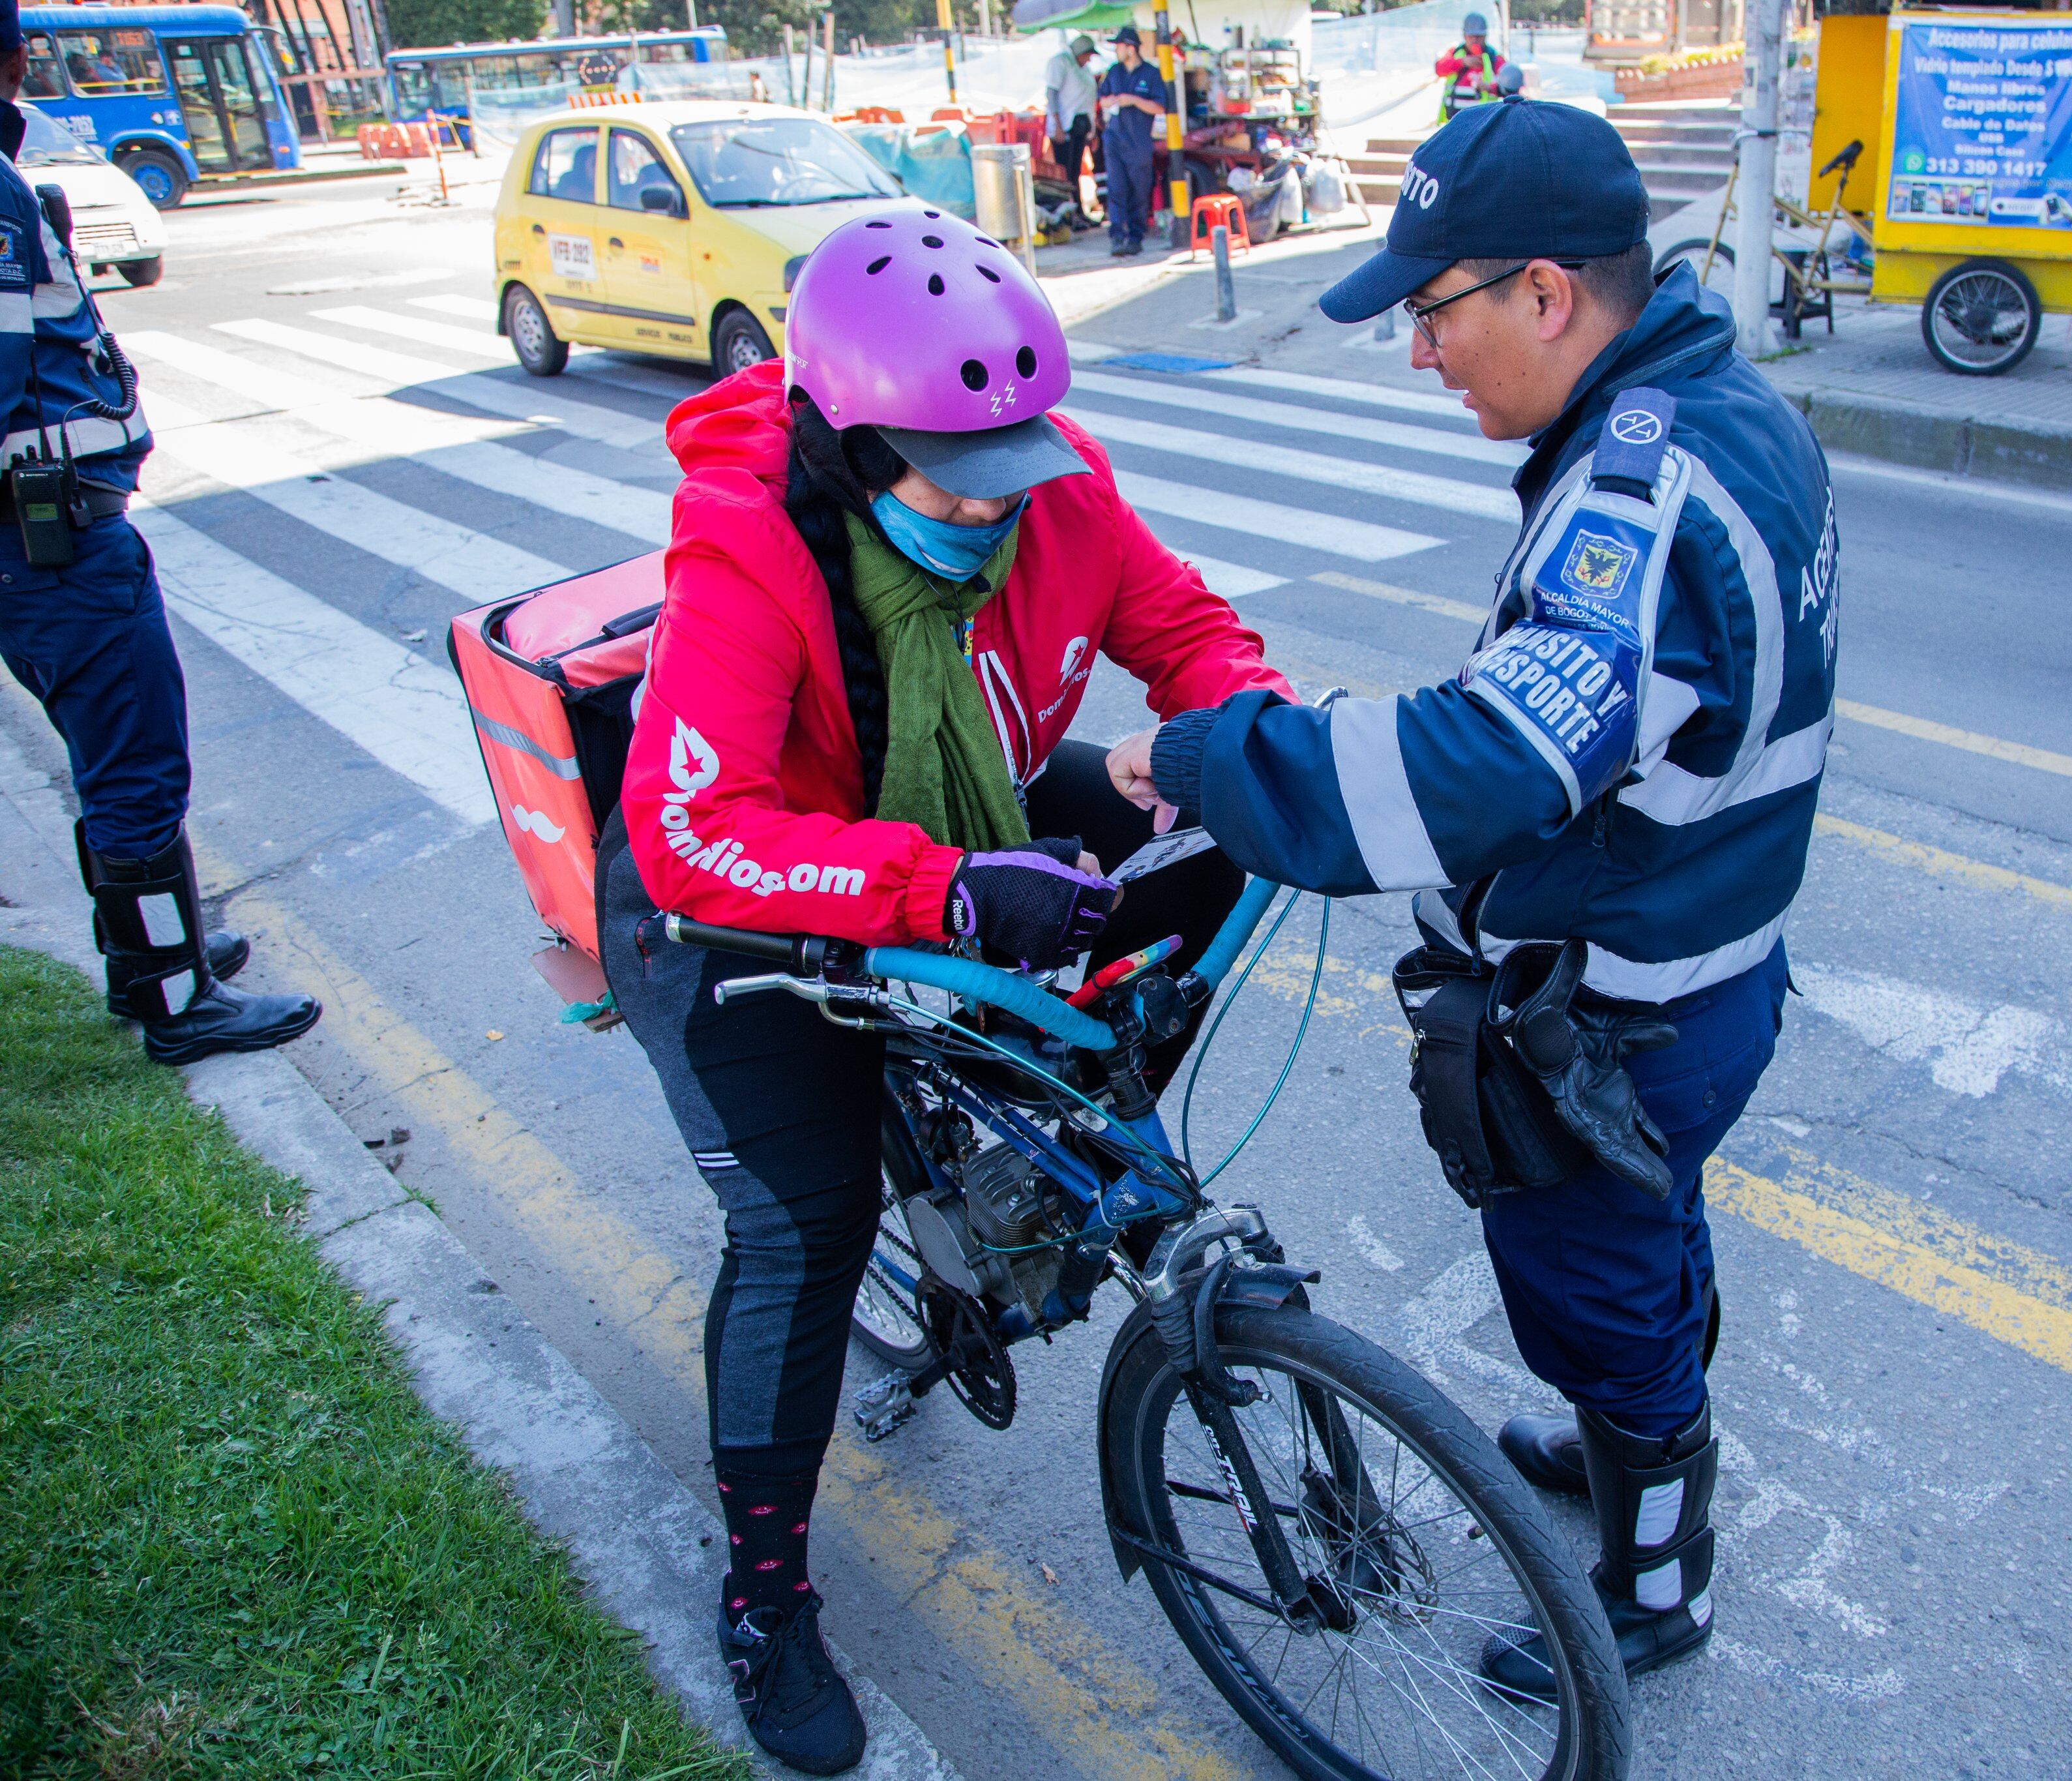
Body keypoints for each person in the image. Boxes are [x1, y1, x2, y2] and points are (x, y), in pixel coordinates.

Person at [1107, 98, 1840, 1696]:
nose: (1425, 357)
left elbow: (1492, 766)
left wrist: (1228, 761)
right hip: (1714, 955)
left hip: (1628, 1006)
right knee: (1647, 1239)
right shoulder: (1718, 404)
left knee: (1596, 1277)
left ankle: (1654, 1577)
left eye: (1436, 316)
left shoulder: (1636, 502)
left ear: (1546, 295)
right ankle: (1620, 1435)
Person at [597, 202, 1289, 1776]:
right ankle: (765, 1599)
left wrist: (1262, 739)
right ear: (850, 451)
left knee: (1197, 864)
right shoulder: (749, 546)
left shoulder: (1044, 478)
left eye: (1017, 467)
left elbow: (1180, 630)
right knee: (805, 1224)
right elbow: (693, 830)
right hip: (730, 901)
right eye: (957, 482)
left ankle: (1018, 1159)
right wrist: (949, 891)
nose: (999, 510)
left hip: (945, 807)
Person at [0, 5, 319, 1066]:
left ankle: (151, 958)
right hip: (54, 545)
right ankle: (175, 1002)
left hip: (49, 539)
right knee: (135, 770)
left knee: (117, 763)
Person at [1093, 24, 1169, 258]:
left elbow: (1159, 107)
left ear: (1131, 48)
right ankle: (1117, 237)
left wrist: (1133, 100)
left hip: (1139, 142)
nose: (1116, 51)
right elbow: (1102, 100)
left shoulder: (1151, 74)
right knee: (1116, 189)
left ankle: (1136, 237)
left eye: (1120, 46)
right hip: (1115, 139)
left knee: (1139, 190)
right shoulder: (1113, 72)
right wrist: (1114, 100)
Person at [1041, 32, 1098, 217]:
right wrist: (1057, 125)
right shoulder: (1061, 62)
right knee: (1065, 173)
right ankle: (1068, 212)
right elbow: (1052, 94)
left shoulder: (1084, 70)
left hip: (1080, 127)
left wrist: (1093, 130)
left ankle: (1078, 211)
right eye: (1088, 55)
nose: (1089, 60)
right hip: (1064, 127)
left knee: (1075, 172)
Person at [1434, 11, 1507, 118]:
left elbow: (1510, 86)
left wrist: (1490, 88)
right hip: (1455, 120)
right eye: (1471, 36)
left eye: (1478, 36)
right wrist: (1462, 62)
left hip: (1482, 121)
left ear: (1485, 36)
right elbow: (1439, 68)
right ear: (1464, 36)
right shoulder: (1456, 53)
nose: (1474, 40)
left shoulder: (1495, 58)